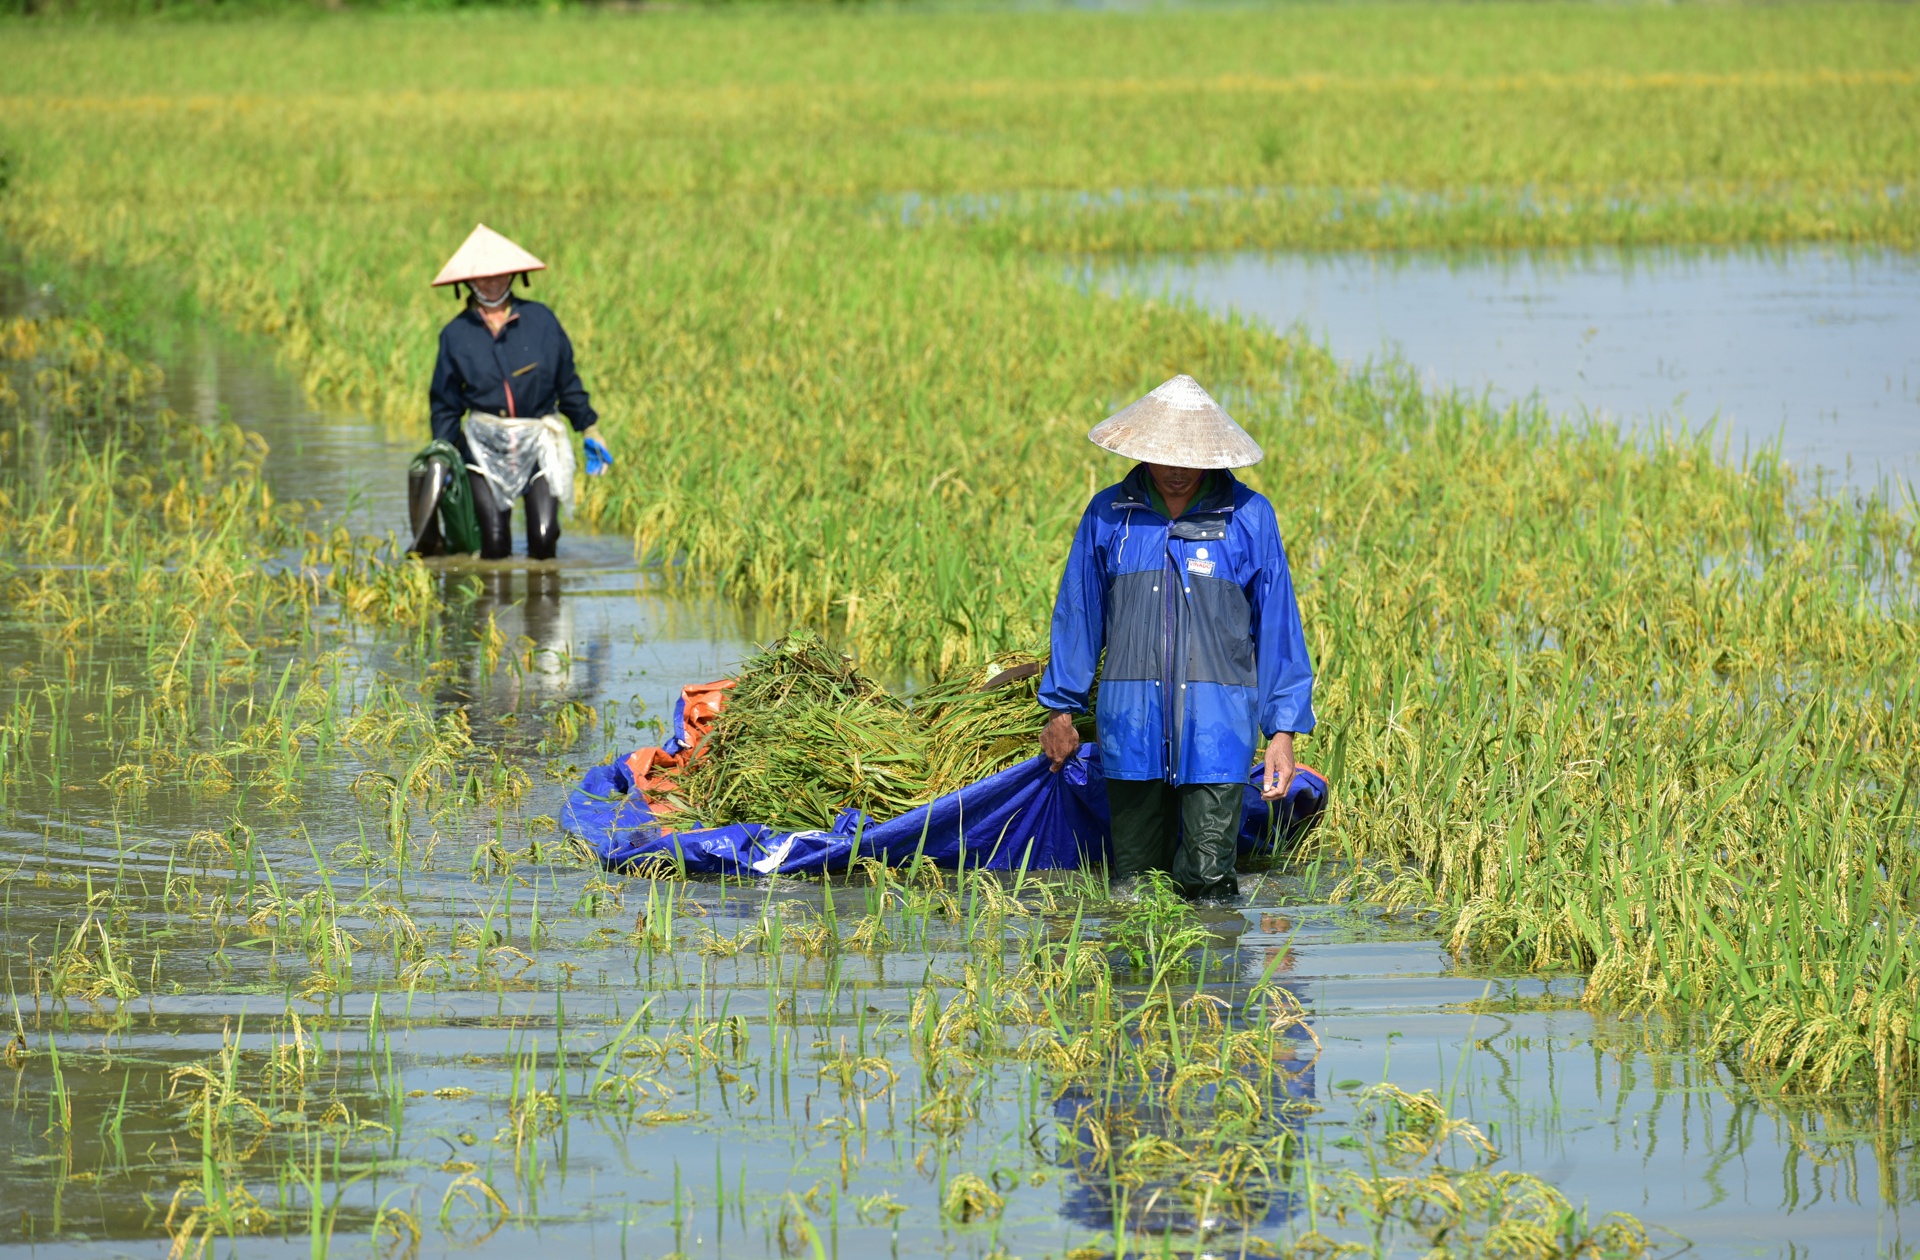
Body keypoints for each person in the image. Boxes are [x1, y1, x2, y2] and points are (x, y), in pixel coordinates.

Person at [1036, 374, 1315, 906]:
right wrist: (1062, 709)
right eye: (1165, 456)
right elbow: (1078, 615)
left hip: (1218, 732)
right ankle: (1139, 990)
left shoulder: (1249, 518)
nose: (1177, 470)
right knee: (1134, 889)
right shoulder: (1109, 515)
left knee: (1209, 887)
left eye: (1190, 458)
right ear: (1143, 451)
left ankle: (1210, 987)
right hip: (1130, 730)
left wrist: (1282, 731)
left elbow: (1278, 629)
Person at [418, 224, 612, 560]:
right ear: (468, 281)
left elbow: (567, 381)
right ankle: (495, 610)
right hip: (483, 445)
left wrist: (589, 428)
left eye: (500, 275)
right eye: (483, 277)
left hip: (538, 439)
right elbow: (446, 402)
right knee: (494, 544)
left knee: (543, 537)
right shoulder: (456, 334)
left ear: (514, 276)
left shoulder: (541, 321)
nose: (492, 283)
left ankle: (543, 610)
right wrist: (444, 450)